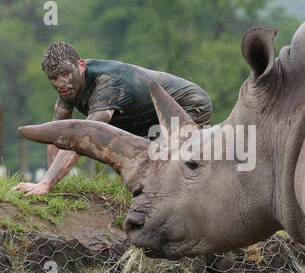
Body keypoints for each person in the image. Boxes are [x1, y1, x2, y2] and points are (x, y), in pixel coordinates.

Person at [13, 41, 212, 196]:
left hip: (188, 104)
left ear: (80, 66)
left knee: (168, 173)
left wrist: (46, 183)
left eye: (65, 74)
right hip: (146, 119)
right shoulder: (68, 87)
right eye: (53, 78)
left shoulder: (106, 84)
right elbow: (57, 133)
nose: (61, 83)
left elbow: (83, 136)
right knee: (151, 173)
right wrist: (49, 184)